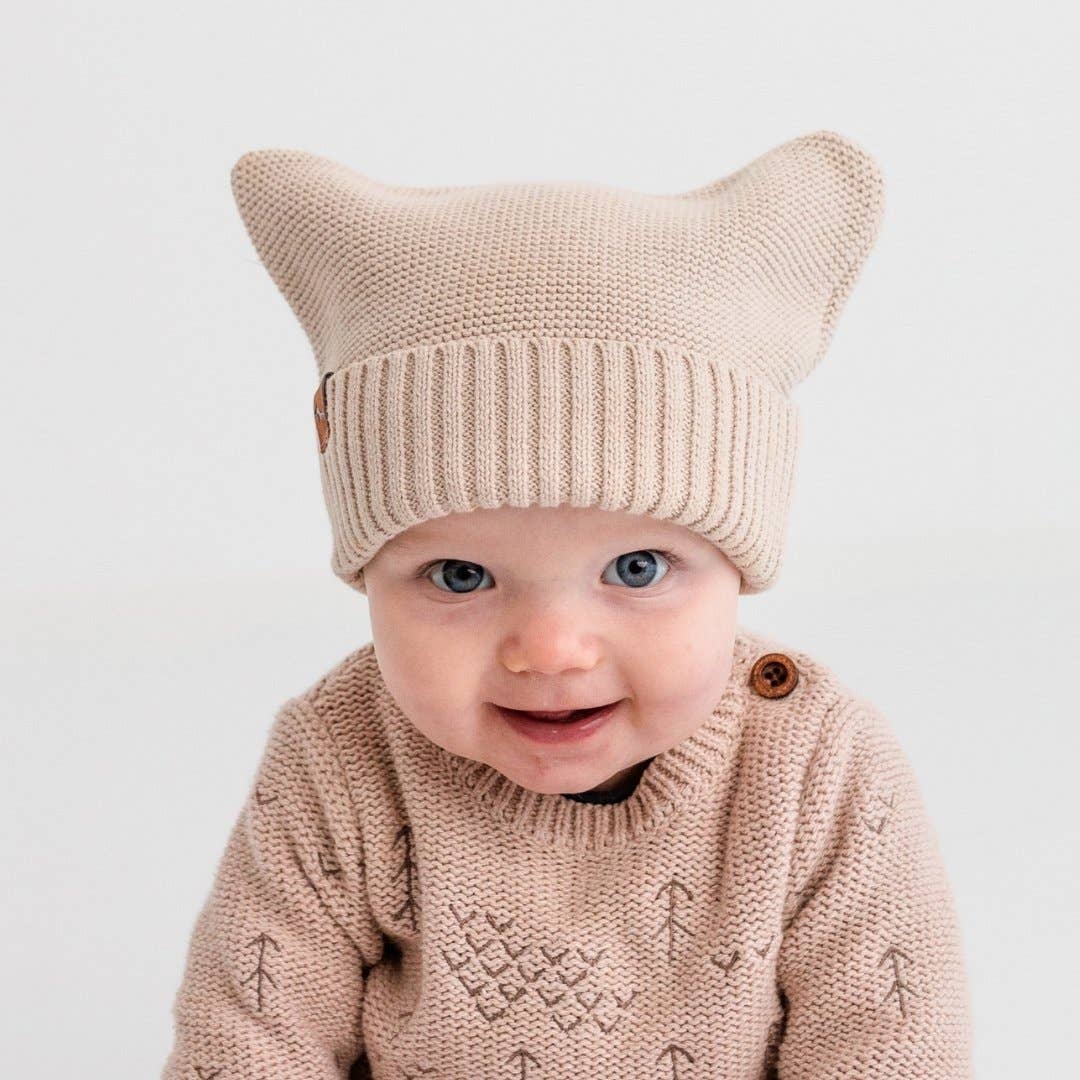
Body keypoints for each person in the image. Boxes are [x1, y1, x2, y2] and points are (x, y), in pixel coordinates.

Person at [161, 130, 974, 1078]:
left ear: (739, 566)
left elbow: (889, 1042)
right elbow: (250, 1036)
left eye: (637, 568)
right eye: (459, 576)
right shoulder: (341, 760)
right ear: (368, 575)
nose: (549, 650)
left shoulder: (815, 769)